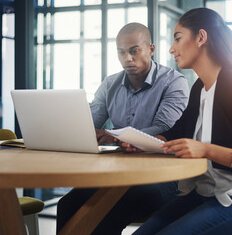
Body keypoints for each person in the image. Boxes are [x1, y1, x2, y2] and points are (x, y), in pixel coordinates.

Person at [132, 8, 232, 235]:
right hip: (208, 193)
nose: (171, 49)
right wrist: (144, 142)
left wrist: (206, 150)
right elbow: (178, 132)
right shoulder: (199, 87)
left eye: (177, 38)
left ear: (201, 38)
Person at [56, 22, 189, 234]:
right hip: (117, 173)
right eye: (121, 52)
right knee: (67, 205)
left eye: (134, 51)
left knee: (104, 212)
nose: (127, 58)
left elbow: (165, 128)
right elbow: (90, 123)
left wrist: (114, 137)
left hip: (162, 176)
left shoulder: (173, 82)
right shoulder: (110, 84)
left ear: (151, 49)